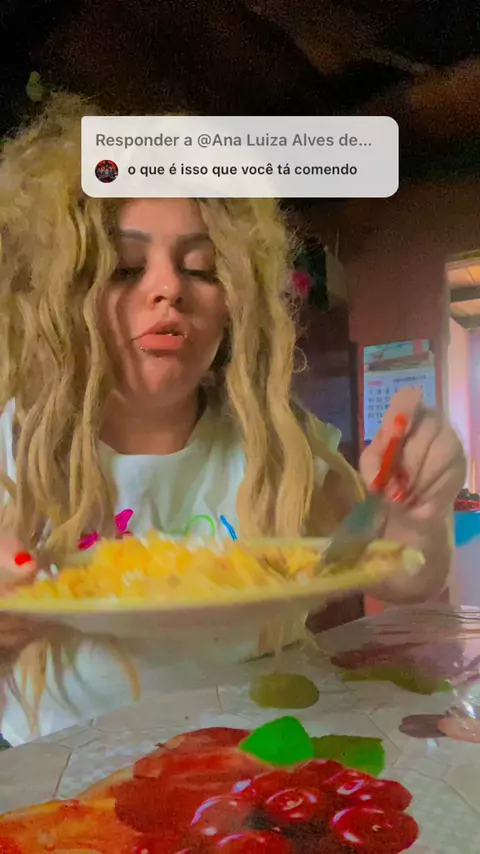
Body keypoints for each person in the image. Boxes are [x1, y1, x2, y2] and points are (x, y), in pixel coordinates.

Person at [0, 94, 466, 745]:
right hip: (74, 781)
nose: (168, 288)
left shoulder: (278, 445)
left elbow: (405, 575)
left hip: (270, 760)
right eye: (125, 268)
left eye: (202, 268)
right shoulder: (13, 449)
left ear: (235, 302)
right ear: (57, 294)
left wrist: (419, 520)